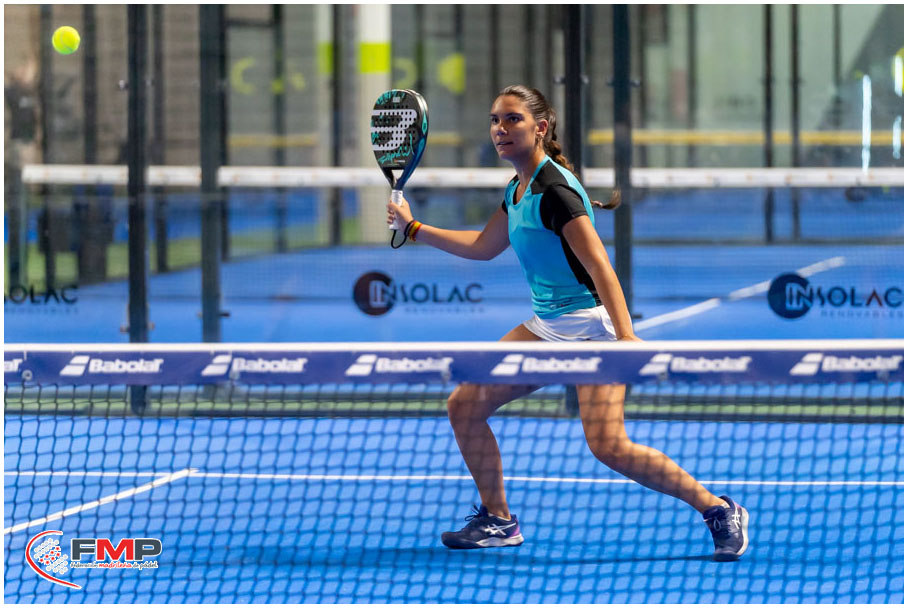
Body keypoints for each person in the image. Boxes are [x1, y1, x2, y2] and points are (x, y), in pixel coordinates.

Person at [386, 85, 749, 562]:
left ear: (540, 127)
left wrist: (627, 338)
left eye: (512, 119)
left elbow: (601, 267)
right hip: (547, 326)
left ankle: (718, 509)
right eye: (495, 120)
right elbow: (483, 246)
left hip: (594, 329)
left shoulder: (555, 191)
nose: (500, 129)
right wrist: (414, 229)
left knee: (609, 445)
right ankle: (498, 519)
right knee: (465, 406)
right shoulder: (517, 188)